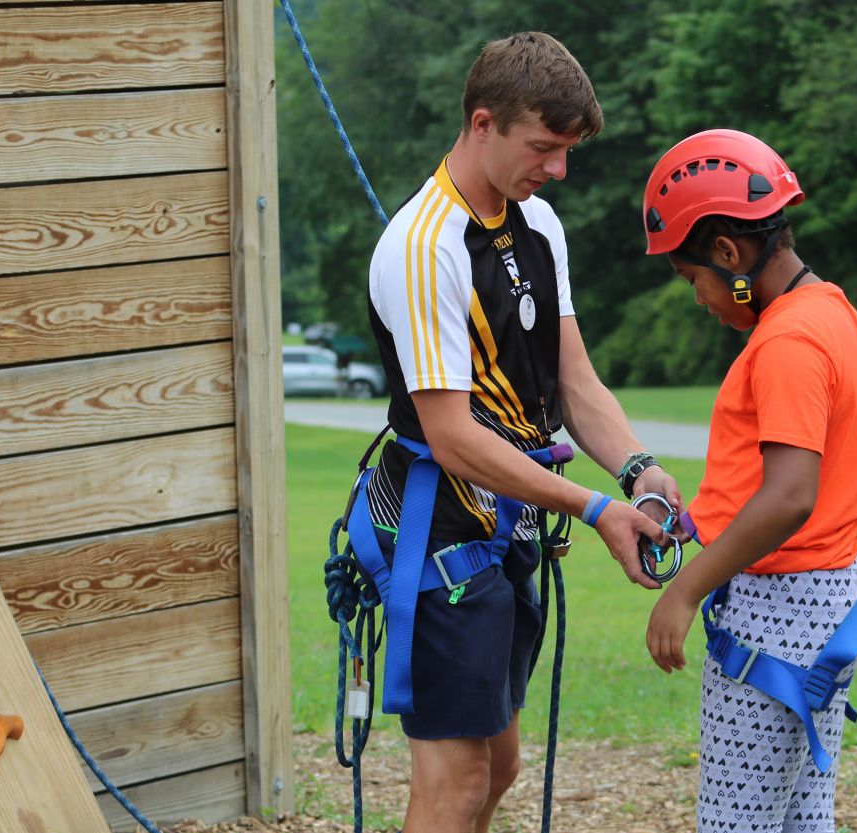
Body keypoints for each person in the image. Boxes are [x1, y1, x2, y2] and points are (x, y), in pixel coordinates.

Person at [363, 32, 678, 833]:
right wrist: (596, 509)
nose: (559, 169)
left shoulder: (538, 224)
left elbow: (572, 380)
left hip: (510, 530)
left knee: (498, 764)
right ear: (482, 124)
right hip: (440, 535)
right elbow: (453, 433)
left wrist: (637, 468)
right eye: (544, 147)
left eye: (568, 150)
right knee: (456, 777)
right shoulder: (424, 243)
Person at [640, 129, 857, 832]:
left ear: (729, 254)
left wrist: (686, 588)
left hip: (776, 614)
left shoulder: (785, 342)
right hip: (833, 602)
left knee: (737, 821)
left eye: (693, 279)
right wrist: (715, 512)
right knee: (801, 814)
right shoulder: (835, 313)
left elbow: (789, 494)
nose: (699, 298)